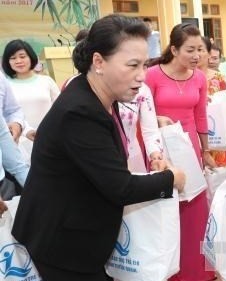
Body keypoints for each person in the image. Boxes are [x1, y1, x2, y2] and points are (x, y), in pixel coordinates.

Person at [11, 14, 185, 281]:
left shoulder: (98, 94)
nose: (142, 76)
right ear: (98, 62)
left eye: (145, 65)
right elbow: (120, 188)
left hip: (74, 231)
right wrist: (171, 178)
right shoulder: (81, 110)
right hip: (62, 243)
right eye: (132, 65)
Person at [145, 23, 215, 281]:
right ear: (174, 49)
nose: (197, 55)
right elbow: (145, 115)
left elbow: (200, 116)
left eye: (200, 49)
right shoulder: (152, 75)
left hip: (190, 149)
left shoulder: (199, 77)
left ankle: (195, 272)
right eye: (190, 50)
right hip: (160, 148)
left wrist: (205, 150)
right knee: (167, 207)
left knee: (194, 209)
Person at [2, 39, 60, 140]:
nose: (18, 61)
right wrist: (26, 131)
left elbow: (60, 107)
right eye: (13, 58)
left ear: (31, 56)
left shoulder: (46, 81)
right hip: (19, 141)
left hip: (50, 137)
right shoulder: (5, 85)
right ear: (8, 62)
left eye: (22, 56)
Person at [198, 37, 226, 166]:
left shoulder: (220, 78)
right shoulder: (187, 78)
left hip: (216, 132)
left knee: (219, 172)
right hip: (196, 131)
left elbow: (225, 105)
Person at [0, 71, 25, 143]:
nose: (19, 61)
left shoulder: (1, 78)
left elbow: (13, 111)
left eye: (22, 58)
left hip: (7, 147)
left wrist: (16, 123)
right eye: (13, 58)